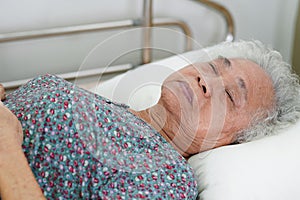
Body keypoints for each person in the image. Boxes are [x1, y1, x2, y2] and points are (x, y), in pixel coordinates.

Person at [0, 40, 299, 199]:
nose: (207, 80)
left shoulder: (166, 182)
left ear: (233, 141)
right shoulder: (115, 109)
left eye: (231, 96)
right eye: (213, 67)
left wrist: (6, 150)